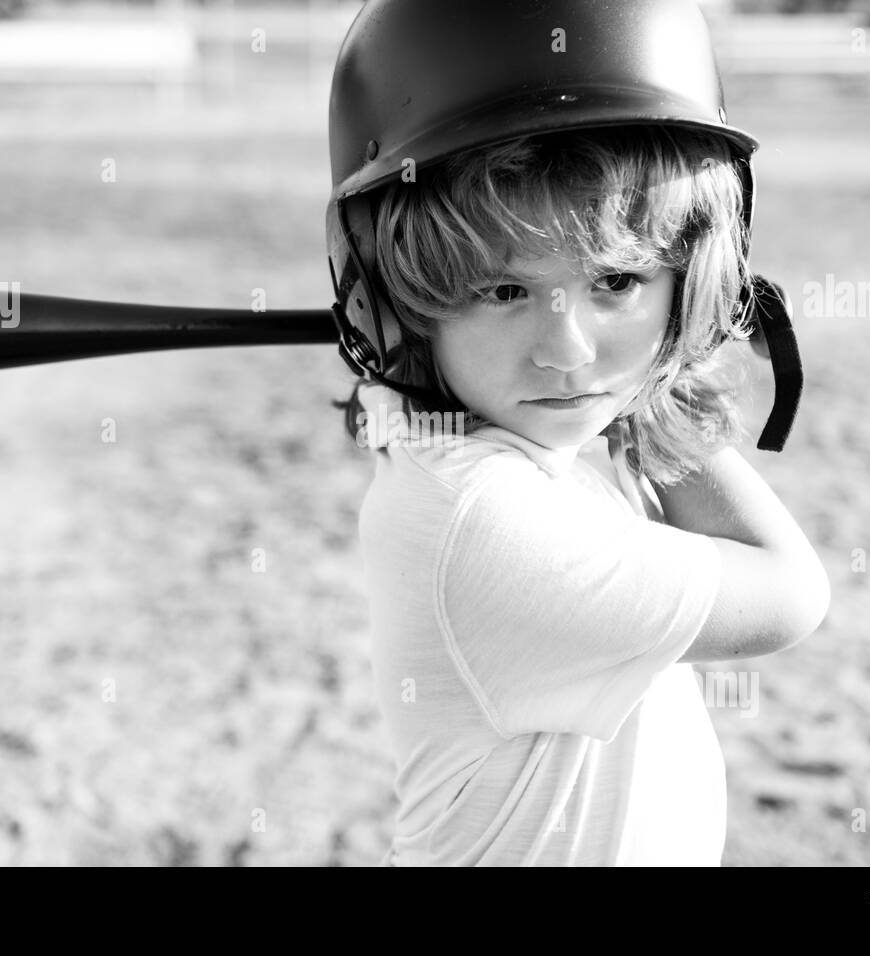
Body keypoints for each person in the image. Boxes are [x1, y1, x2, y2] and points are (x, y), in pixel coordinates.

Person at [326, 0, 830, 866]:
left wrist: (661, 361)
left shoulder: (493, 438)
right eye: (503, 291)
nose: (568, 352)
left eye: (617, 280)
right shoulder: (479, 520)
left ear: (696, 276)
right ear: (393, 303)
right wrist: (668, 384)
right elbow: (790, 597)